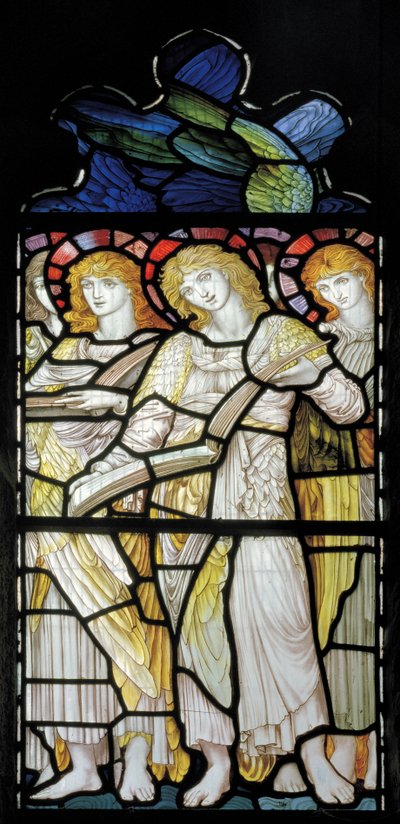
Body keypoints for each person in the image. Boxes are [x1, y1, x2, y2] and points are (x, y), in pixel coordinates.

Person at [69, 244, 366, 807]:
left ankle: (311, 755)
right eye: (186, 287)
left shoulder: (282, 334)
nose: (199, 291)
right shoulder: (180, 348)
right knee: (197, 634)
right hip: (181, 504)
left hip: (259, 497)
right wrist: (102, 475)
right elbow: (145, 427)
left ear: (233, 274)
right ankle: (218, 762)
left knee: (283, 623)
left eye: (206, 276)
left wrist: (315, 376)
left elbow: (351, 408)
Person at [25, 250, 188, 801]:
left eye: (108, 284)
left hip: (124, 505)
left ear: (134, 290)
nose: (96, 295)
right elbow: (29, 408)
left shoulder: (161, 349)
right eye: (87, 285)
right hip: (53, 508)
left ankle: (137, 758)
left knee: (137, 630)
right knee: (61, 636)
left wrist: (112, 401)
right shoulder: (67, 348)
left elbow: (177, 415)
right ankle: (83, 763)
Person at [297, 243, 376, 789]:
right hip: (326, 496)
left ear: (367, 277)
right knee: (330, 617)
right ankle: (337, 744)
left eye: (341, 279)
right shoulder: (324, 345)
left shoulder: (377, 344)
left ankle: (362, 746)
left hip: (367, 495)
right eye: (323, 287)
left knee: (361, 617)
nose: (333, 293)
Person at [25, 250, 64, 372]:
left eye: (54, 283)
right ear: (33, 293)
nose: (49, 293)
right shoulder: (32, 334)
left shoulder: (92, 327)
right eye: (41, 286)